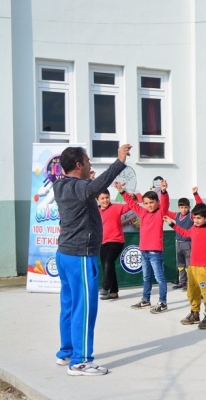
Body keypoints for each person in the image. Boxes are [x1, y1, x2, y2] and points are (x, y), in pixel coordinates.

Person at [54, 143, 131, 376]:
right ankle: (80, 361)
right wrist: (119, 161)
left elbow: (88, 189)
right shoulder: (81, 187)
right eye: (87, 161)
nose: (90, 164)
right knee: (85, 308)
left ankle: (66, 352)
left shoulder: (61, 185)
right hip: (80, 256)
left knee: (69, 305)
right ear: (78, 165)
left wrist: (88, 181)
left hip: (65, 254)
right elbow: (96, 186)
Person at [163, 203, 206, 329]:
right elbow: (184, 233)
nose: (196, 220)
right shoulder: (194, 228)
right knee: (192, 291)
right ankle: (195, 313)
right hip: (192, 266)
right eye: (194, 218)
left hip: (204, 267)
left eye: (199, 218)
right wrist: (172, 224)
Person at [117, 180, 170, 313]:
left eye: (151, 202)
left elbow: (165, 203)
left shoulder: (160, 213)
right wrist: (122, 191)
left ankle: (163, 302)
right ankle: (146, 300)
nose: (149, 205)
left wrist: (164, 191)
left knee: (160, 278)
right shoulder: (142, 212)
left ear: (157, 202)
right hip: (144, 251)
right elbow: (131, 203)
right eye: (146, 203)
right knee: (146, 277)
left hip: (155, 252)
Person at [97, 189, 130, 300]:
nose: (105, 200)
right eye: (102, 198)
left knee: (108, 262)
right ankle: (114, 291)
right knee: (107, 267)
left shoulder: (116, 207)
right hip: (102, 242)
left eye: (107, 197)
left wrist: (123, 192)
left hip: (116, 241)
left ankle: (105, 287)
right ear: (97, 200)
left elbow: (131, 205)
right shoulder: (95, 211)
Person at [167, 197, 193, 291]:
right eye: (181, 207)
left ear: (189, 207)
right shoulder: (177, 215)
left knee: (188, 265)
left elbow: (200, 211)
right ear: (178, 207)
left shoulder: (191, 216)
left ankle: (190, 283)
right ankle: (182, 282)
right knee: (181, 264)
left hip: (188, 243)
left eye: (185, 207)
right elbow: (165, 211)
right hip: (178, 242)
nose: (183, 209)